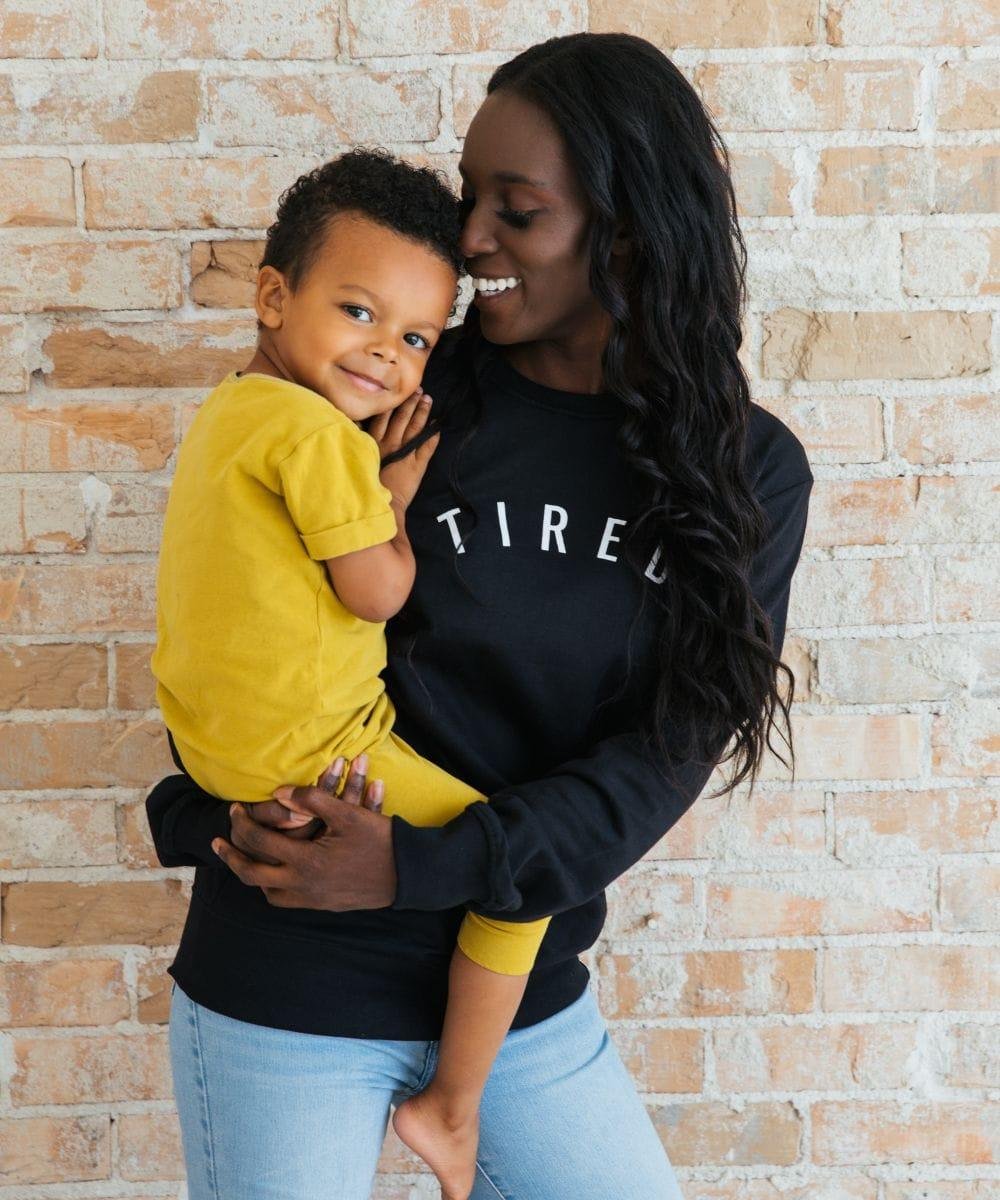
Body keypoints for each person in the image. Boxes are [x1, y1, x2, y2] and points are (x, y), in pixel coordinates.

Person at [146, 31, 814, 1200]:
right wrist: (202, 805)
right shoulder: (393, 392)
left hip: (513, 995)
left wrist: (417, 864)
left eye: (517, 208)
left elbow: (657, 766)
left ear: (626, 228)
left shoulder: (739, 471)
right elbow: (235, 616)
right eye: (469, 199)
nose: (468, 240)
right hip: (293, 978)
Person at [150, 147, 553, 1199]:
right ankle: (452, 1107)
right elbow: (372, 591)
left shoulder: (230, 414)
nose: (386, 356)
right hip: (318, 750)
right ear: (274, 296)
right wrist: (396, 505)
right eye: (360, 312)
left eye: (417, 337)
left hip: (219, 754)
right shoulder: (319, 438)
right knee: (522, 874)